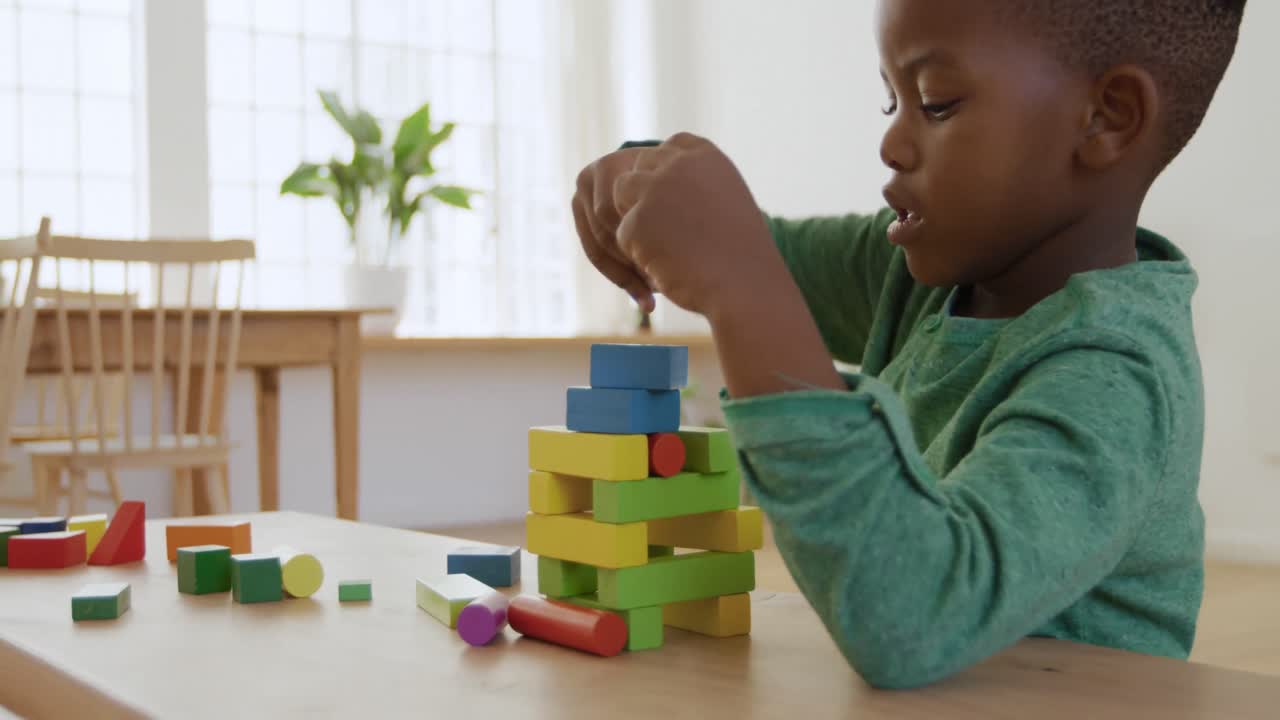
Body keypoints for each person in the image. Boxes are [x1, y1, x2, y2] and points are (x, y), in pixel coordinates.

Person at [570, 0, 1248, 688]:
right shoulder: (928, 272)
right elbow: (751, 249)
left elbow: (912, 616)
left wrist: (743, 288)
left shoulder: (1115, 376)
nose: (892, 144)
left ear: (1107, 117)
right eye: (891, 100)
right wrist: (643, 180)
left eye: (936, 103)